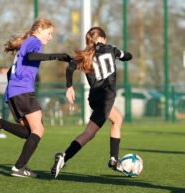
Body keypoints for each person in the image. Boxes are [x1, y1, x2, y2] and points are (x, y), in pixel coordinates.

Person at [0, 18, 71, 178]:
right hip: (23, 91)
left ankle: (0, 123)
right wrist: (57, 56)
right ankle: (19, 167)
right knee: (39, 130)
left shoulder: (27, 42)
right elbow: (32, 57)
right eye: (49, 33)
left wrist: (14, 87)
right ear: (39, 29)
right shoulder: (34, 41)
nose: (50, 37)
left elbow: (11, 71)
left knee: (29, 132)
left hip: (14, 92)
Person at [50, 27, 133, 179]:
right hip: (106, 97)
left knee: (115, 119)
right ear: (102, 39)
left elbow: (70, 68)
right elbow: (128, 56)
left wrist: (69, 86)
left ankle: (65, 157)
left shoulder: (84, 55)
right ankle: (112, 160)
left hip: (94, 98)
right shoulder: (111, 49)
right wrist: (123, 55)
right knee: (90, 133)